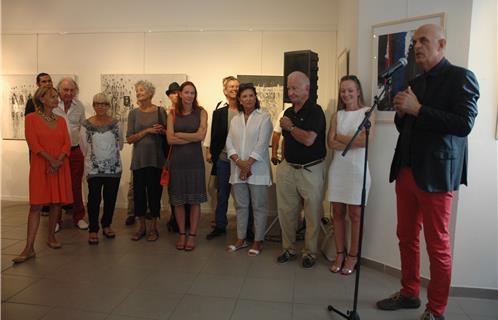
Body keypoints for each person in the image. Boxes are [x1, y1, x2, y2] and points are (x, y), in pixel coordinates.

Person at [376, 24, 479, 320]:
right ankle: (409, 293)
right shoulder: (415, 82)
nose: (417, 46)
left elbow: (463, 124)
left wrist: (418, 109)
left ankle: (436, 310)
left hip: (436, 175)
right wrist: (401, 113)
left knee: (437, 245)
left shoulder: (461, 77)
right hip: (406, 170)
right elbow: (407, 127)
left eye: (424, 41)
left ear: (442, 44)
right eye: (415, 41)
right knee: (405, 237)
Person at [13, 87, 73, 263]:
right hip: (42, 166)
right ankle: (29, 247)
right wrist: (51, 161)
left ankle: (51, 237)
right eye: (53, 97)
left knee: (56, 203)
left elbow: (66, 143)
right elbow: (34, 144)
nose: (57, 99)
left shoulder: (61, 120)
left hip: (59, 165)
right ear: (42, 99)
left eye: (57, 96)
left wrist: (58, 161)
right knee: (36, 206)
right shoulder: (31, 119)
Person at [276, 71, 326, 269]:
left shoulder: (316, 111)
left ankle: (310, 253)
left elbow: (308, 139)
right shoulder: (288, 113)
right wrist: (283, 162)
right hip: (289, 168)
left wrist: (289, 128)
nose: (291, 91)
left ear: (307, 89)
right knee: (287, 212)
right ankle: (288, 249)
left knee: (312, 214)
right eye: (289, 88)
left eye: (295, 88)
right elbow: (287, 142)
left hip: (310, 170)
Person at [327, 75, 374, 275]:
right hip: (338, 169)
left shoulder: (367, 113)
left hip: (357, 170)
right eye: (343, 91)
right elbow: (331, 143)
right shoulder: (336, 115)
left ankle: (353, 256)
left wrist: (340, 137)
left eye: (350, 90)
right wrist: (350, 139)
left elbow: (365, 141)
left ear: (358, 92)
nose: (346, 94)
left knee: (355, 215)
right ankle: (340, 252)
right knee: (337, 212)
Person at [226, 83, 273, 255]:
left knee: (259, 206)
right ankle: (241, 239)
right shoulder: (235, 119)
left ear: (255, 97)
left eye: (251, 95)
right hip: (237, 169)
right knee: (241, 205)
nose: (248, 99)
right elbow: (229, 142)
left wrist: (248, 164)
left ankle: (258, 241)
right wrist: (239, 163)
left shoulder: (264, 117)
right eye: (244, 96)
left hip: (257, 170)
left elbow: (262, 144)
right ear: (239, 99)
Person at [166, 81, 208, 251]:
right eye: (186, 92)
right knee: (178, 201)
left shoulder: (202, 112)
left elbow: (201, 136)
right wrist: (192, 136)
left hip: (195, 163)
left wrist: (180, 134)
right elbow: (170, 139)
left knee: (195, 200)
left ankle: (192, 236)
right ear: (180, 94)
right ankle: (182, 234)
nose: (190, 95)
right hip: (177, 163)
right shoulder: (172, 114)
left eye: (192, 92)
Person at [80, 93, 123, 245]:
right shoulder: (86, 125)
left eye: (104, 104)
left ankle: (107, 225)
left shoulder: (116, 123)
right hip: (93, 169)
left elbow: (121, 144)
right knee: (93, 199)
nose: (100, 106)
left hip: (114, 168)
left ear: (108, 106)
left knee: (110, 199)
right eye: (97, 103)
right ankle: (93, 229)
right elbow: (84, 147)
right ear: (93, 105)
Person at [127, 80, 166, 242]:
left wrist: (161, 130)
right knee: (139, 195)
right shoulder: (133, 113)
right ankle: (141, 227)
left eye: (141, 90)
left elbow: (167, 133)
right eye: (137, 90)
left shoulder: (160, 111)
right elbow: (129, 138)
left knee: (154, 194)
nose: (138, 93)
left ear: (150, 93)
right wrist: (148, 130)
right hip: (139, 160)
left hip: (156, 160)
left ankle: (153, 228)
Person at [54, 77, 89, 230]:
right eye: (65, 90)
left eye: (71, 90)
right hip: (56, 153)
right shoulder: (52, 106)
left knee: (76, 185)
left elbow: (83, 129)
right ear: (59, 91)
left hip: (74, 151)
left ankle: (79, 217)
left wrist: (85, 151)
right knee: (57, 186)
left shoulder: (79, 106)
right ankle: (55, 220)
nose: (68, 93)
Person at [24, 72, 54, 217]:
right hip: (38, 149)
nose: (47, 83)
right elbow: (31, 128)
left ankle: (54, 205)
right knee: (40, 178)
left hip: (53, 148)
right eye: (44, 81)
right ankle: (43, 205)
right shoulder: (32, 103)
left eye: (49, 81)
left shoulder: (54, 100)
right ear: (38, 84)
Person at [165, 82, 191, 232]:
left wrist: (179, 136)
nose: (175, 96)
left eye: (177, 92)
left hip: (187, 154)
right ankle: (175, 219)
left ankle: (185, 219)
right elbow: (169, 137)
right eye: (172, 93)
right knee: (174, 190)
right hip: (170, 154)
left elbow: (198, 135)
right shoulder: (168, 113)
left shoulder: (188, 112)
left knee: (187, 190)